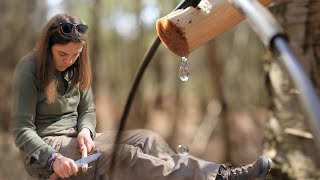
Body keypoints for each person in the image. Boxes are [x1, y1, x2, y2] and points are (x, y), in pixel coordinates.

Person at [12, 13, 272, 180]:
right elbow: (22, 130)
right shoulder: (29, 69)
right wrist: (53, 159)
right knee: (123, 155)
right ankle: (217, 177)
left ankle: (202, 174)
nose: (69, 61)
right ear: (48, 47)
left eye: (76, 55)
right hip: (46, 150)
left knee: (148, 139)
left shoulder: (77, 68)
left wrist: (86, 131)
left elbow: (87, 112)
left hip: (77, 141)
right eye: (62, 55)